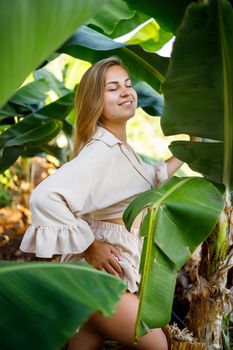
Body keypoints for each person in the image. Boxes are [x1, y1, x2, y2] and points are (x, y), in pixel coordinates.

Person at [20, 57, 185, 350]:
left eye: (128, 85)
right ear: (96, 101)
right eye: (113, 88)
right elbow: (44, 197)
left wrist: (188, 150)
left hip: (95, 277)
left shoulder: (116, 148)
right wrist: (89, 246)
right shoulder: (100, 152)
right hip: (99, 278)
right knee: (159, 346)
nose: (126, 92)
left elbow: (147, 180)